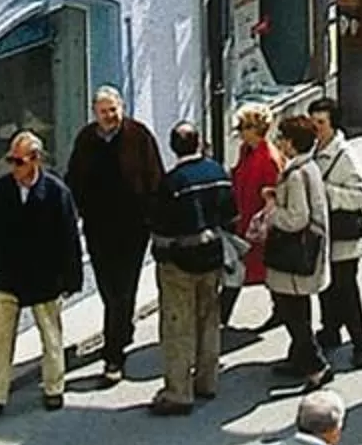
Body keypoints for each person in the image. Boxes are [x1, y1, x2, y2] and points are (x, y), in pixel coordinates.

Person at [0, 128, 83, 421]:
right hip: (9, 277)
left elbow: (68, 238)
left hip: (44, 276)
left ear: (35, 159)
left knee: (51, 334)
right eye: (11, 160)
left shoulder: (57, 192)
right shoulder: (0, 190)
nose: (14, 167)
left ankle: (54, 387)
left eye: (19, 161)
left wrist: (71, 277)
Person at [64, 87, 165, 386]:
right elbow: (74, 179)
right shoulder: (86, 139)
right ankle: (123, 330)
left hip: (133, 228)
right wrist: (75, 214)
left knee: (123, 288)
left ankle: (113, 355)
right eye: (103, 112)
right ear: (94, 113)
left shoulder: (139, 136)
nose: (109, 116)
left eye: (113, 110)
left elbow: (155, 178)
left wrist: (153, 218)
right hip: (98, 228)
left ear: (122, 107)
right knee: (109, 289)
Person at [149, 123, 236, 415]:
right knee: (209, 319)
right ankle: (207, 381)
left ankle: (179, 392)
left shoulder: (172, 182)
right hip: (211, 257)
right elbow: (231, 215)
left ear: (173, 147)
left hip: (179, 261)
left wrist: (162, 254)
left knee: (178, 325)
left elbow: (160, 225)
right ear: (199, 142)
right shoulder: (218, 173)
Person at [260, 114, 333, 387]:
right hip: (308, 253)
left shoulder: (295, 175)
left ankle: (316, 366)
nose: (279, 142)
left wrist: (272, 211)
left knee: (294, 315)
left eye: (282, 138)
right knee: (298, 311)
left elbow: (296, 218)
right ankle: (298, 359)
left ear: (291, 142)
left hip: (294, 256)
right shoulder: (309, 168)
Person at [310, 97, 362, 371]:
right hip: (324, 233)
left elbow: (359, 196)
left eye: (321, 122)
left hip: (345, 236)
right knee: (325, 286)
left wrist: (327, 193)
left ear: (333, 124)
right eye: (313, 122)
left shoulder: (345, 156)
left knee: (346, 291)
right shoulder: (314, 150)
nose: (316, 128)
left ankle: (361, 344)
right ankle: (330, 331)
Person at [227, 105, 282, 333]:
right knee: (238, 268)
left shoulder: (269, 158)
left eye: (243, 127)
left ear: (255, 129)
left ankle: (281, 310)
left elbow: (274, 194)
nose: (239, 132)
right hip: (243, 219)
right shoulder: (245, 151)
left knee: (262, 270)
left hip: (259, 226)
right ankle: (221, 314)